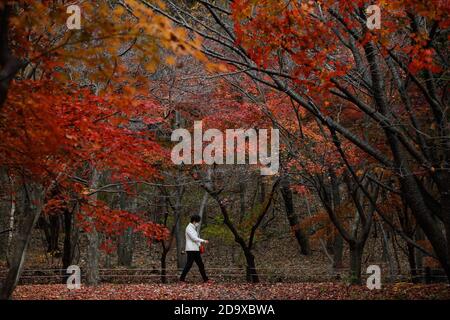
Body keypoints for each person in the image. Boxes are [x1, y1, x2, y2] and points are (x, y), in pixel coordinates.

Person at [179, 214, 211, 283]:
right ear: (194, 221)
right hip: (191, 249)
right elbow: (194, 238)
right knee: (189, 264)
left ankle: (205, 279)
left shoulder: (193, 228)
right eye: (198, 222)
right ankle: (181, 279)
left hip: (195, 249)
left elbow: (195, 239)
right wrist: (203, 240)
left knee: (200, 264)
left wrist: (199, 246)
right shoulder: (189, 228)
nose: (198, 223)